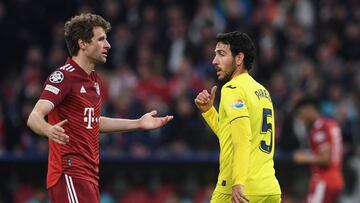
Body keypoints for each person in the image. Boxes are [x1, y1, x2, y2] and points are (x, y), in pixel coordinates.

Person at [27, 13, 173, 203]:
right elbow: (34, 116)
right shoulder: (64, 76)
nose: (108, 45)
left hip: (88, 175)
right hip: (69, 171)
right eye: (101, 39)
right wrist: (47, 129)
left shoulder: (93, 79)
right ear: (83, 44)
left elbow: (92, 121)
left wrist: (138, 123)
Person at [194, 31, 281, 203]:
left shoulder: (232, 89)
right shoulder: (262, 91)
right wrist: (209, 112)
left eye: (221, 54)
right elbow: (231, 135)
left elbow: (241, 138)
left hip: (239, 190)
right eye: (214, 54)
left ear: (239, 58)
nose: (214, 61)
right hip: (269, 189)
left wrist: (238, 183)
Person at [293, 98, 344, 203]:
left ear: (310, 110)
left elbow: (325, 159)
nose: (301, 118)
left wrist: (304, 158)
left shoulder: (319, 127)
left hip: (324, 180)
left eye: (301, 114)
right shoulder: (331, 124)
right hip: (337, 178)